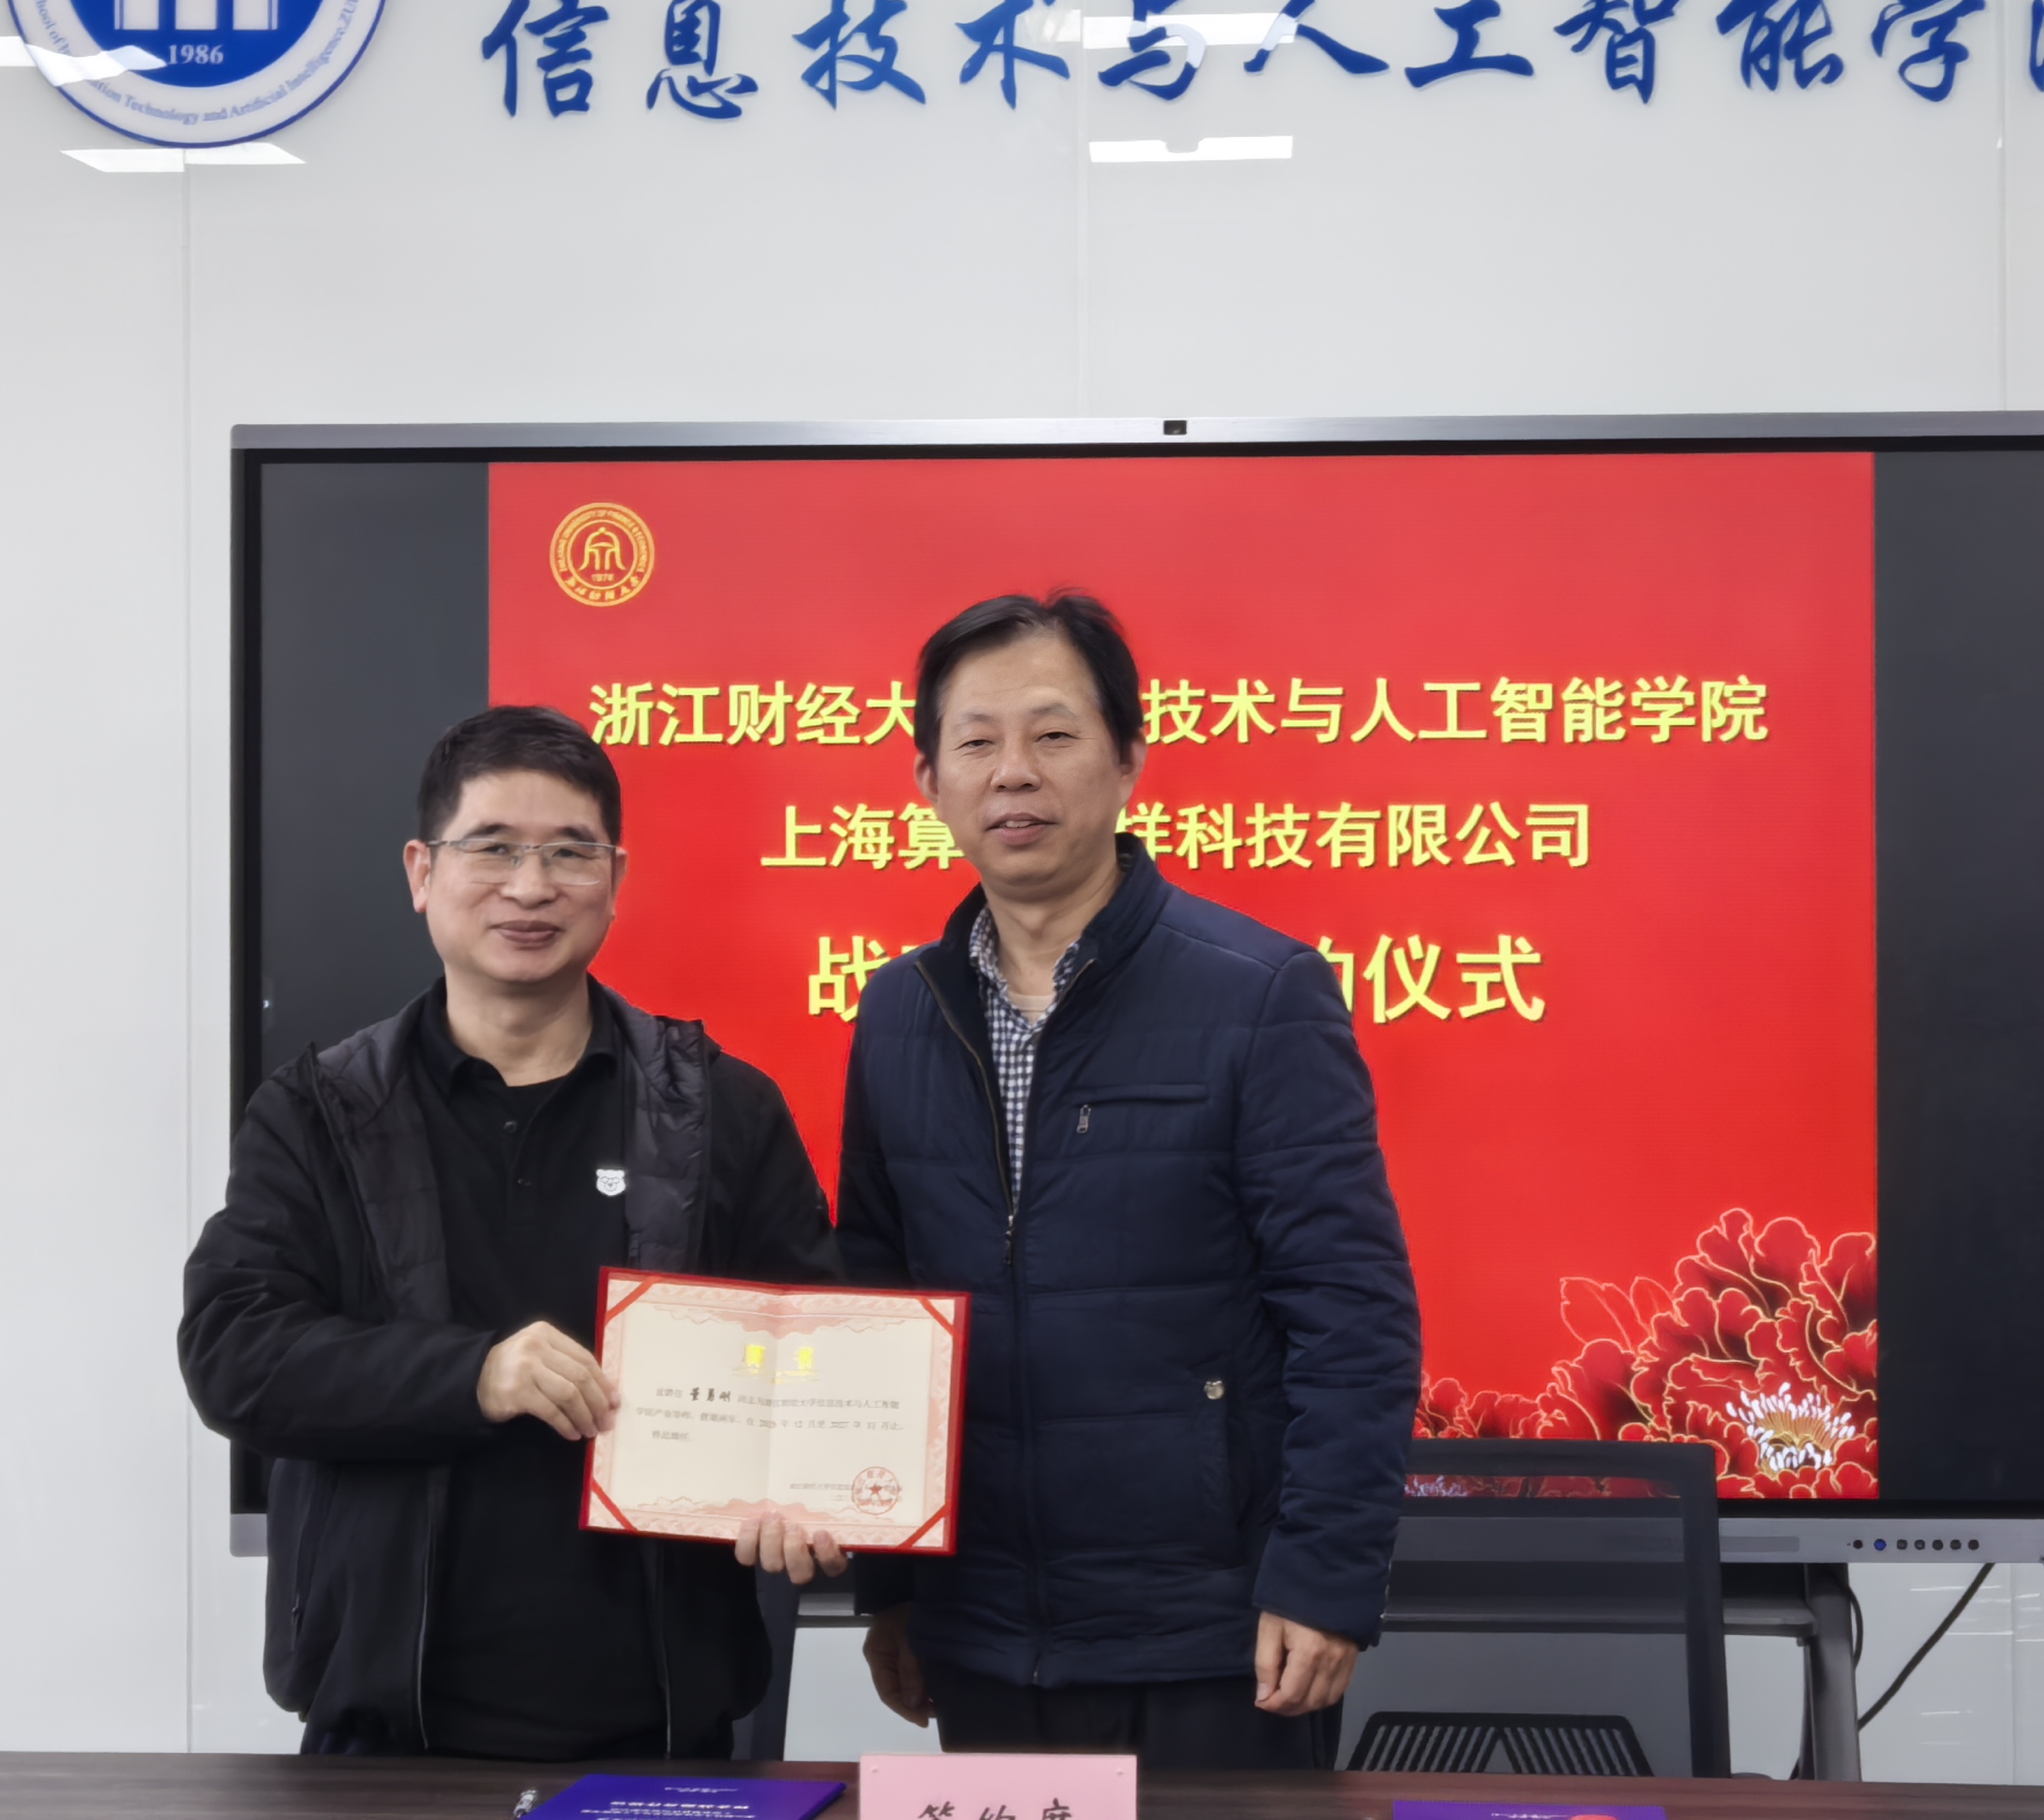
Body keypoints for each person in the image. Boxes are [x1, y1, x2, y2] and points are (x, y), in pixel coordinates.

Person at [180, 704, 845, 1759]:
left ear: (615, 879)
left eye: (570, 852)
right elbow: (235, 1355)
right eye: (491, 848)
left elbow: (820, 1352)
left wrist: (812, 1489)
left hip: (659, 1729)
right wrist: (473, 1375)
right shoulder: (317, 1113)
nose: (531, 887)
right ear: (421, 872)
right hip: (386, 1733)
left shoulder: (723, 1108)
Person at [839, 591, 1422, 1767]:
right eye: (977, 740)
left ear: (1128, 760)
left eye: (1053, 734)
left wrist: (1322, 1580)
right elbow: (877, 1307)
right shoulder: (900, 1008)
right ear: (929, 780)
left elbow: (1353, 1313)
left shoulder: (1259, 993)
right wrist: (889, 1588)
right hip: (982, 1631)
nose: (1014, 772)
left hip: (1218, 1633)